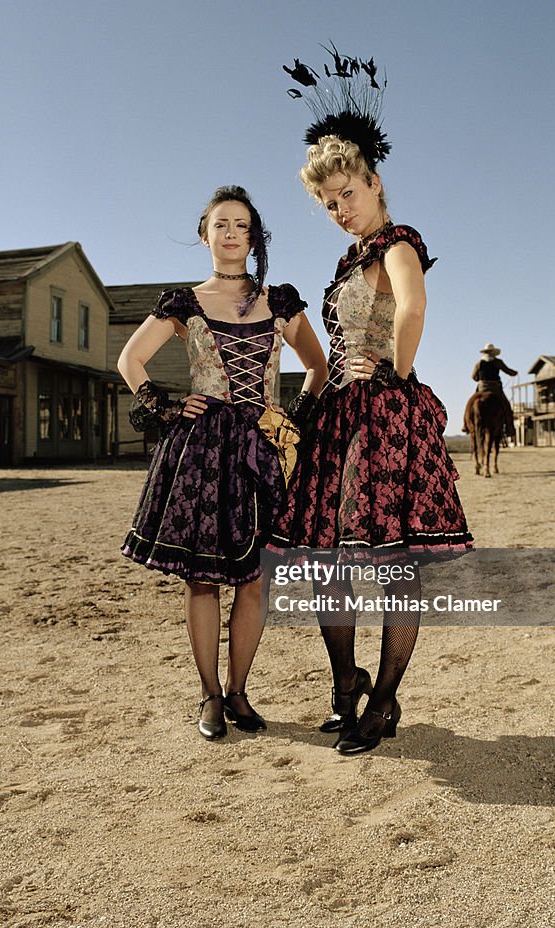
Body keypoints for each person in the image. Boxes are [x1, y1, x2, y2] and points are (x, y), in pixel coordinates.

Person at [275, 46, 473, 756]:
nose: (338, 210)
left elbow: (413, 306)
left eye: (347, 194)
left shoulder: (397, 242)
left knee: (392, 566)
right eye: (327, 203)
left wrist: (395, 367)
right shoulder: (347, 259)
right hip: (338, 419)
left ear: (374, 181)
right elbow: (330, 351)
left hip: (385, 418)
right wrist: (307, 401)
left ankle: (384, 701)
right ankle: (346, 683)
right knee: (329, 561)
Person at [119, 185, 327, 742]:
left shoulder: (280, 301)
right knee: (203, 577)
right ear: (205, 235)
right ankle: (209, 694)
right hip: (204, 446)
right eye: (221, 224)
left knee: (255, 577)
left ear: (254, 236)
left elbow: (317, 366)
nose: (232, 233)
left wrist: (292, 418)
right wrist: (162, 404)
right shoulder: (183, 302)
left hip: (262, 446)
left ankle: (239, 690)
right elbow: (130, 358)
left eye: (242, 224)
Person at [462, 344, 517, 438]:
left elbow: (474, 377)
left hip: (481, 388)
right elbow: (508, 371)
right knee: (506, 406)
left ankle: (465, 425)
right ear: (493, 353)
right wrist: (514, 373)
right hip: (495, 388)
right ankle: (509, 428)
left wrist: (481, 378)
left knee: (469, 405)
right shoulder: (498, 362)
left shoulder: (479, 363)